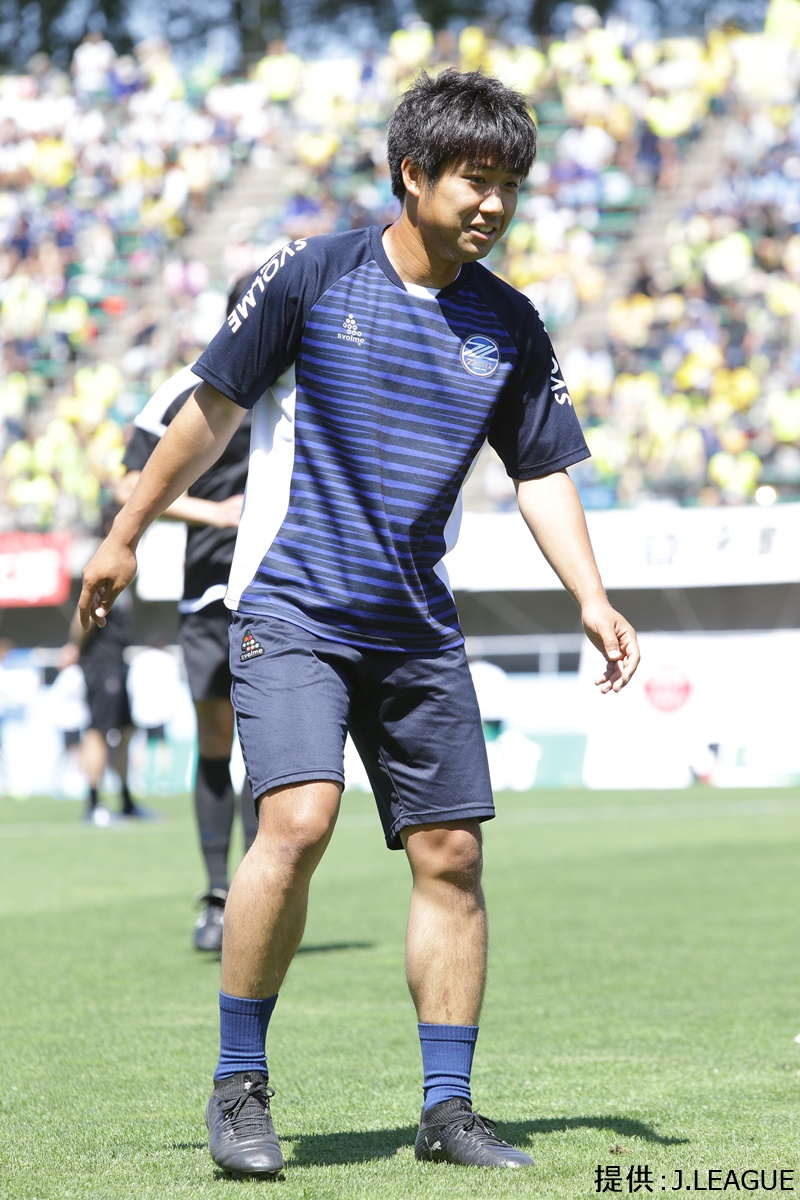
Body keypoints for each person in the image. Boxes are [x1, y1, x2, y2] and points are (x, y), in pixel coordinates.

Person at [79, 69, 640, 1178]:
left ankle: (447, 1108)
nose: (493, 205)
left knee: (452, 853)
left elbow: (539, 471)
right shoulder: (312, 272)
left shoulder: (510, 323)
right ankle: (239, 1085)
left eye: (509, 186)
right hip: (291, 604)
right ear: (411, 175)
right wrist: (124, 531)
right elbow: (208, 413)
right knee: (297, 822)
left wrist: (591, 595)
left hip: (416, 624)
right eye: (474, 180)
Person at [116, 276, 258, 952]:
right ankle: (218, 896)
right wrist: (216, 514)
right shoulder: (189, 386)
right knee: (216, 740)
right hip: (207, 592)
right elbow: (129, 481)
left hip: (286, 592)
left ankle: (261, 900)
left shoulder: (311, 381)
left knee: (272, 753)